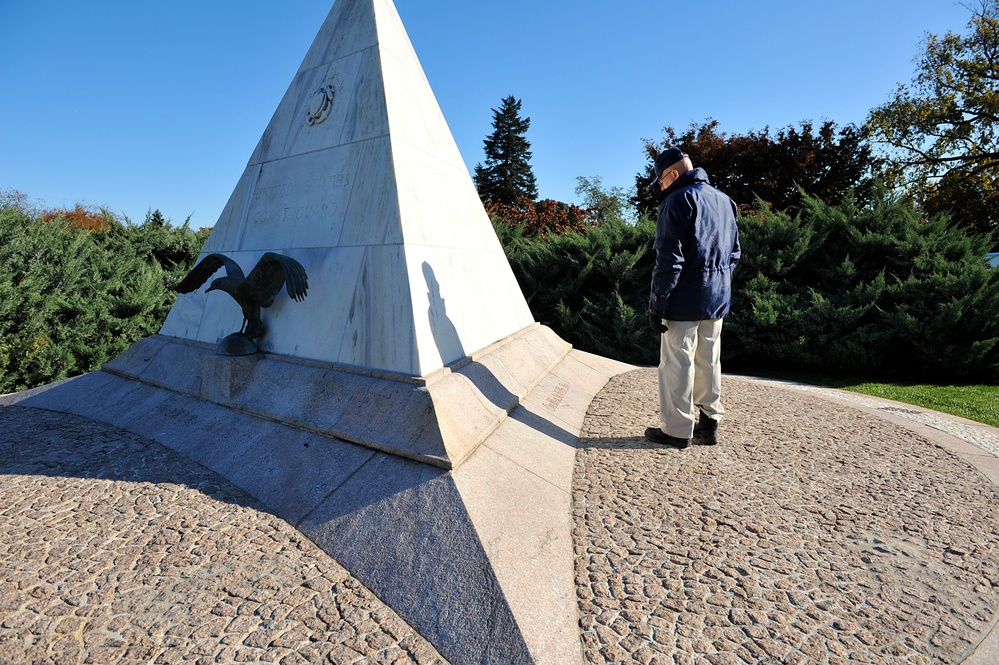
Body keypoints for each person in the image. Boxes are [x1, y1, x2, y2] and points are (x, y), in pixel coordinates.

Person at [645, 147, 741, 449]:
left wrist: (658, 301)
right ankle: (710, 423)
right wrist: (717, 280)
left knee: (677, 362)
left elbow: (668, 259)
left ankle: (677, 430)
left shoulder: (676, 201)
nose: (660, 187)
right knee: (709, 359)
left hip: (683, 298)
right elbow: (734, 252)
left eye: (660, 180)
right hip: (717, 296)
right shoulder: (725, 201)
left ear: (673, 174)